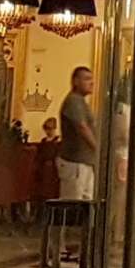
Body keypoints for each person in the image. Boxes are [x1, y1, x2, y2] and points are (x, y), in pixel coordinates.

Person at [58, 65, 99, 202]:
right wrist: (97, 148)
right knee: (73, 202)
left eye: (92, 79)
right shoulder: (73, 101)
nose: (91, 83)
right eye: (87, 79)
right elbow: (82, 127)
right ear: (76, 81)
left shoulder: (81, 102)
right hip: (75, 162)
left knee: (85, 203)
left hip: (85, 161)